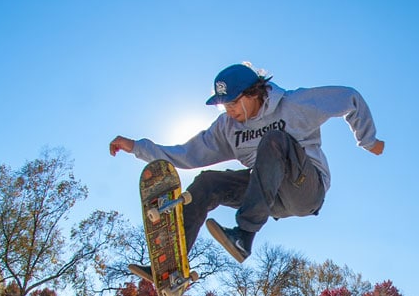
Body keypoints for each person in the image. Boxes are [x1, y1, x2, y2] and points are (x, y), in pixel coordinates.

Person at [110, 63, 384, 270]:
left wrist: (368, 140)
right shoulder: (227, 128)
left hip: (305, 190)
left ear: (254, 92)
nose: (229, 112)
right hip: (266, 196)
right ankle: (171, 268)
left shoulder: (293, 105)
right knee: (207, 183)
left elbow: (349, 97)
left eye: (233, 103)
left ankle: (244, 235)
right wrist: (137, 147)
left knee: (274, 140)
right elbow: (187, 154)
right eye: (223, 107)